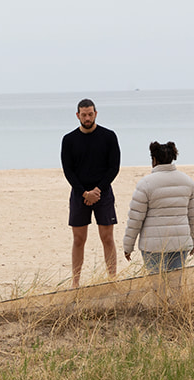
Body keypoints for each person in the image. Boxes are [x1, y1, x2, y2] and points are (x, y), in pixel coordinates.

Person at [61, 98, 121, 288]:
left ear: (96, 114)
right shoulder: (69, 140)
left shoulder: (109, 136)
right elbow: (68, 171)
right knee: (79, 239)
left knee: (107, 238)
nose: (87, 118)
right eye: (83, 115)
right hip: (79, 195)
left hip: (103, 193)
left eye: (90, 114)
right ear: (78, 115)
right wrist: (84, 193)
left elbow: (114, 168)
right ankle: (75, 282)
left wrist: (97, 191)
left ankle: (112, 279)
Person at [123, 141, 194, 272]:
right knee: (176, 285)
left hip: (153, 246)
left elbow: (135, 219)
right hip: (181, 242)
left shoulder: (145, 184)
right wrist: (193, 241)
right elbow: (192, 216)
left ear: (154, 159)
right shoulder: (187, 181)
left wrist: (128, 247)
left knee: (157, 285)